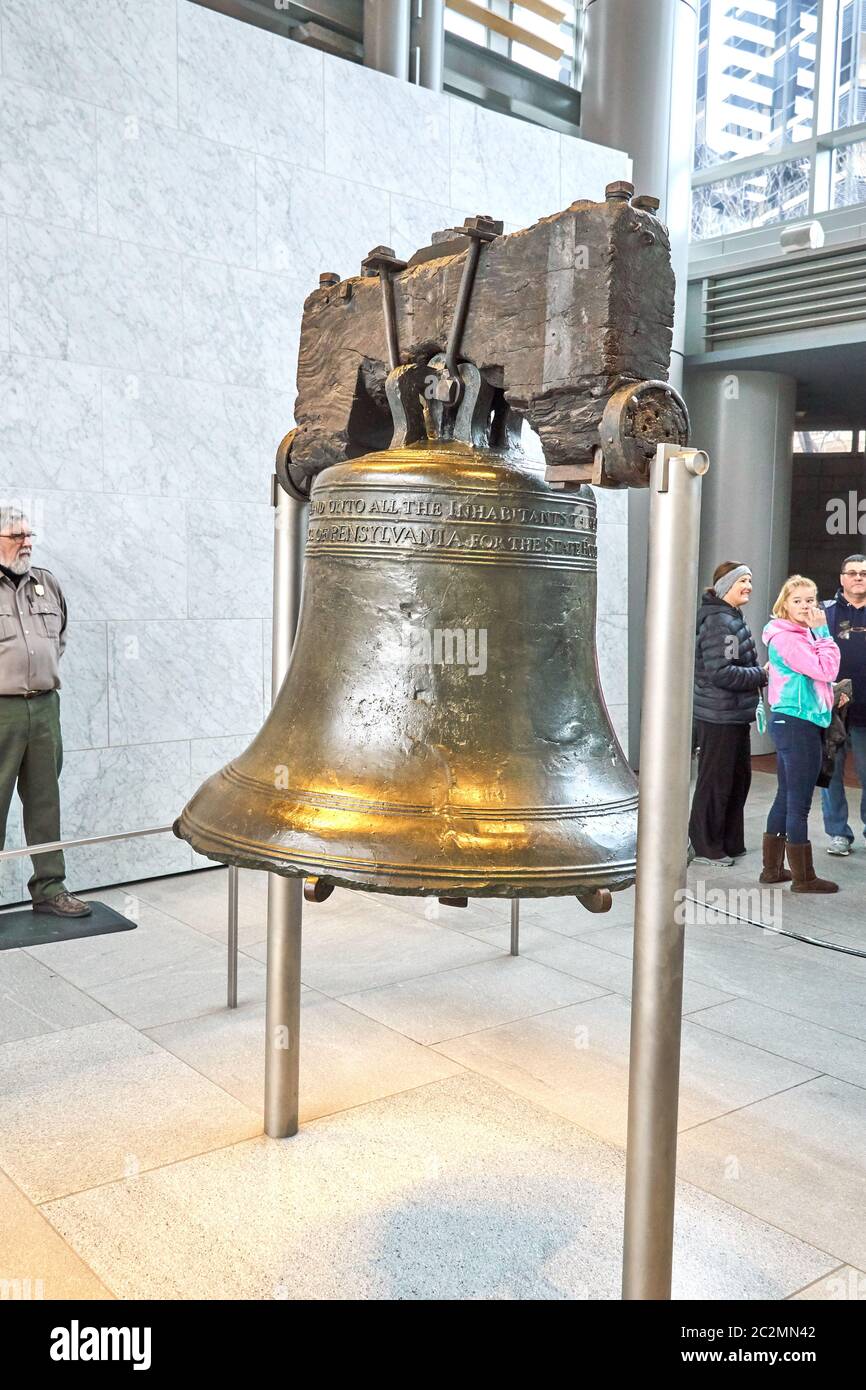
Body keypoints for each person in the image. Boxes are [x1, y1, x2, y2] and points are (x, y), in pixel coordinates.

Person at [0, 508, 91, 917]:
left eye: (29, 534)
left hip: (44, 707)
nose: (27, 542)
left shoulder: (47, 583)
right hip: (1, 711)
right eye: (16, 535)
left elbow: (62, 638)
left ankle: (50, 887)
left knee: (44, 801)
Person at [763, 575, 841, 893]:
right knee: (799, 803)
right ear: (784, 604)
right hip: (797, 723)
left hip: (793, 721)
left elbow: (815, 678)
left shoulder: (797, 633)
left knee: (785, 796)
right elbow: (826, 670)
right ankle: (804, 878)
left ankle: (771, 870)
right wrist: (823, 631)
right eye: (798, 600)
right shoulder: (789, 638)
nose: (806, 606)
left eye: (811, 600)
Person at [689, 562, 768, 868]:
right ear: (725, 586)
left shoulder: (729, 618)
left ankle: (728, 842)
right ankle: (706, 846)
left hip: (731, 714)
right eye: (742, 581)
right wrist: (760, 675)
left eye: (749, 580)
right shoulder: (721, 622)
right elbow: (722, 672)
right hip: (719, 715)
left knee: (736, 778)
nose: (748, 585)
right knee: (717, 781)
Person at [820, 553, 866, 855]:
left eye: (864, 573)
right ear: (842, 579)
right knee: (831, 774)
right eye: (852, 573)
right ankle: (838, 833)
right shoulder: (824, 612)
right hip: (833, 710)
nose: (858, 578)